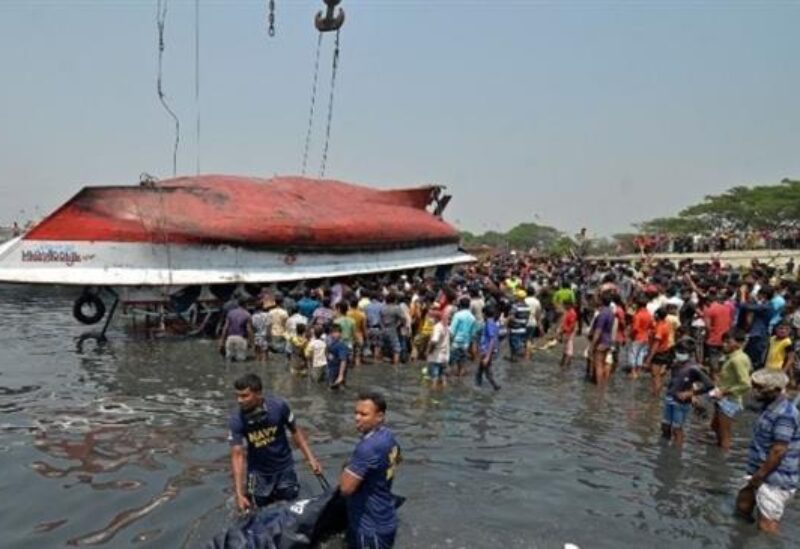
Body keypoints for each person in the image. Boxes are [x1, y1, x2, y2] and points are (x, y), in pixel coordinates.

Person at [228, 373, 322, 511]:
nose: (239, 400)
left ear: (258, 394)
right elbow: (237, 455)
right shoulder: (237, 419)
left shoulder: (279, 406)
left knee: (291, 508)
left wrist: (311, 459)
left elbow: (295, 431)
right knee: (257, 511)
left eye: (244, 396)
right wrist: (239, 493)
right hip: (258, 473)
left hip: (284, 468)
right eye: (237, 396)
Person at [736, 369, 799, 534]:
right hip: (758, 470)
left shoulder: (785, 414)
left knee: (767, 525)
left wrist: (759, 476)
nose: (755, 392)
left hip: (774, 478)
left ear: (776, 390)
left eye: (759, 388)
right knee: (742, 505)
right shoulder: (769, 406)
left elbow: (779, 451)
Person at [339, 391, 402, 549]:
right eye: (356, 413)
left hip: (370, 527)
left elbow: (345, 489)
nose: (357, 418)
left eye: (364, 414)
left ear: (380, 416)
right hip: (386, 516)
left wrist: (348, 468)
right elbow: (397, 459)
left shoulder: (367, 447)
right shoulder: (389, 436)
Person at [662, 337, 714, 446]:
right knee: (665, 427)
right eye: (678, 351)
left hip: (681, 402)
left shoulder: (694, 368)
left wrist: (690, 394)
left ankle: (677, 454)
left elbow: (710, 385)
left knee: (677, 429)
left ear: (690, 353)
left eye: (682, 352)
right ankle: (664, 450)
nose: (679, 354)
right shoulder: (676, 365)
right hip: (670, 398)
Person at [710, 329, 752, 450]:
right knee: (715, 426)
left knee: (725, 433)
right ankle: (719, 447)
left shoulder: (738, 359)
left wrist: (724, 391)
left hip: (729, 399)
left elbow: (745, 384)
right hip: (722, 396)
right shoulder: (730, 357)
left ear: (739, 343)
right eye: (724, 342)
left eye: (728, 342)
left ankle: (722, 456)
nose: (724, 345)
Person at [219, 297, 253, 361]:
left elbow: (225, 328)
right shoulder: (247, 314)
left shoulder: (230, 313)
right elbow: (249, 330)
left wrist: (222, 342)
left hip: (230, 338)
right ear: (246, 304)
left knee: (228, 360)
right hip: (241, 338)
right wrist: (251, 342)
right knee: (241, 362)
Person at [449, 296, 477, 377]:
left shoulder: (457, 315)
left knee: (451, 364)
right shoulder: (472, 317)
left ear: (460, 305)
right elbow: (473, 333)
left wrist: (449, 341)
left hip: (456, 343)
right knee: (462, 365)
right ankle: (460, 380)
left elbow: (452, 330)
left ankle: (451, 382)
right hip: (465, 344)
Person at [476, 304, 501, 390]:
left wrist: (487, 356)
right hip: (487, 351)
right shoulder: (492, 322)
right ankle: (478, 386)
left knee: (486, 371)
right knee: (480, 371)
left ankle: (495, 386)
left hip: (487, 351)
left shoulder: (489, 323)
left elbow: (492, 340)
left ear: (484, 314)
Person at [425, 308, 450, 389]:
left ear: (435, 318)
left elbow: (434, 341)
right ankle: (443, 391)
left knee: (434, 378)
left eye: (431, 317)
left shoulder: (437, 327)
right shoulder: (446, 326)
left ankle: (433, 394)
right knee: (443, 377)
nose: (429, 319)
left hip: (436, 357)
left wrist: (428, 351)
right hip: (445, 357)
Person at [326, 323, 349, 389]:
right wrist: (328, 355)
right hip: (331, 371)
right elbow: (327, 350)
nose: (335, 334)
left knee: (338, 389)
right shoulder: (332, 344)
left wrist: (340, 375)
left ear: (341, 333)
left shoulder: (341, 345)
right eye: (333, 332)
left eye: (337, 332)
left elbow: (343, 360)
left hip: (337, 372)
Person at [558, 299, 578, 368]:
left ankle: (566, 365)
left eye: (564, 305)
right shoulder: (568, 312)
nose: (563, 306)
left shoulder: (572, 313)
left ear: (568, 305)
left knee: (569, 350)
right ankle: (563, 364)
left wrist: (567, 333)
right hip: (566, 332)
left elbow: (572, 325)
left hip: (569, 333)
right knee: (566, 349)